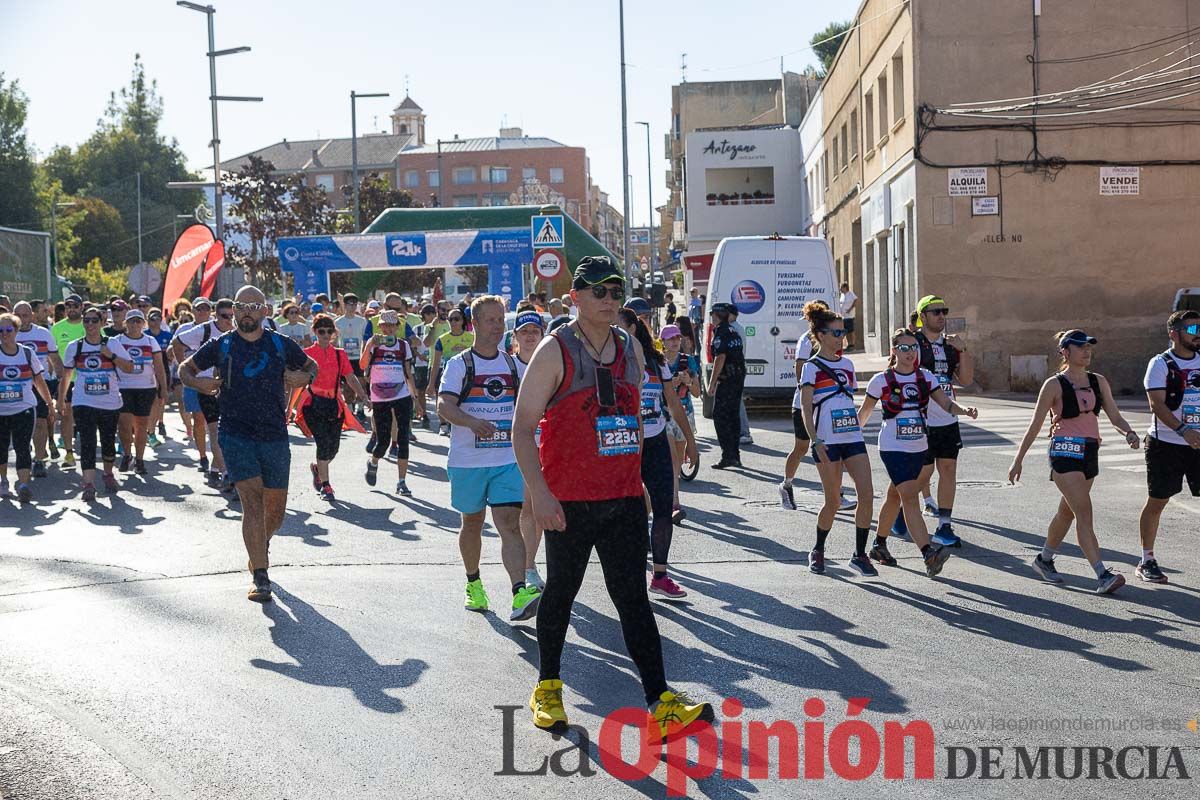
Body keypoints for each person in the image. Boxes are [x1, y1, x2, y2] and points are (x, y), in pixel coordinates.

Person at [513, 255, 712, 736]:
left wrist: (639, 476)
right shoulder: (554, 350)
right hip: (570, 500)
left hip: (622, 497)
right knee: (562, 593)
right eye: (597, 290)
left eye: (615, 290)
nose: (608, 299)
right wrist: (539, 494)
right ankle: (548, 688)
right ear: (576, 297)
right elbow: (521, 429)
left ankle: (659, 701)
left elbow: (634, 420)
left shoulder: (631, 348)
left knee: (633, 600)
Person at [180, 285, 317, 602]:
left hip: (274, 434)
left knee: (276, 513)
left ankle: (259, 546)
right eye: (241, 305)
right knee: (251, 504)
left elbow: (311, 365)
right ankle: (261, 576)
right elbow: (185, 368)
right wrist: (197, 381)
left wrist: (304, 378)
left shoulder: (280, 344)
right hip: (235, 433)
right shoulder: (222, 345)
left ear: (265, 312)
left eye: (254, 306)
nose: (246, 311)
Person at [1009, 330, 1138, 595]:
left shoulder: (1098, 381)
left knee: (1067, 512)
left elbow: (1114, 415)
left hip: (1090, 451)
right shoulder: (1054, 385)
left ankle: (1043, 559)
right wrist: (1018, 460)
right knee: (1084, 512)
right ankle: (1102, 574)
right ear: (1065, 352)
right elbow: (1034, 425)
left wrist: (1129, 432)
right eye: (1080, 347)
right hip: (1064, 452)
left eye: (1089, 346)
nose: (1087, 351)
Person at [436, 295, 541, 621]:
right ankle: (474, 583)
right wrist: (471, 422)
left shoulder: (513, 366)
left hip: (506, 459)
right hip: (467, 461)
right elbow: (443, 406)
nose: (498, 326)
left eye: (501, 320)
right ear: (475, 324)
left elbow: (532, 403)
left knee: (509, 524)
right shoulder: (459, 365)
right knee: (472, 523)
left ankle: (519, 590)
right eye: (491, 320)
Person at [858, 328, 977, 578]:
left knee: (895, 496)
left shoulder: (926, 377)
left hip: (919, 446)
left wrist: (964, 410)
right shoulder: (881, 380)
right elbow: (865, 413)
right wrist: (848, 440)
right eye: (903, 348)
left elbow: (945, 403)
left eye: (913, 347)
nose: (910, 352)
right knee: (910, 496)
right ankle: (928, 553)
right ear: (894, 351)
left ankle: (879, 545)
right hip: (893, 447)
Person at [618, 310, 698, 597]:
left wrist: (690, 441)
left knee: (663, 509)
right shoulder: (608, 360)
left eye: (621, 326)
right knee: (630, 513)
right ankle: (631, 574)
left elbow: (674, 404)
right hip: (622, 445)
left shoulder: (657, 361)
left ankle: (660, 575)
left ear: (634, 329)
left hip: (655, 441)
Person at [797, 301, 874, 575]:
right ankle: (818, 549)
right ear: (820, 335)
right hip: (826, 441)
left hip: (852, 437)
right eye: (837, 332)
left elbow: (846, 400)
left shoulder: (849, 364)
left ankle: (860, 554)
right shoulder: (811, 367)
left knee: (866, 495)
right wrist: (814, 439)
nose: (842, 337)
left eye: (844, 332)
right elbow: (806, 408)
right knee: (833, 501)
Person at [1135, 309, 1200, 583]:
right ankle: (1146, 560)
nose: (1198, 335)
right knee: (1158, 501)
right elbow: (1156, 404)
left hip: (1198, 445)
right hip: (1167, 444)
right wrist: (1184, 431)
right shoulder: (1160, 363)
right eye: (1193, 329)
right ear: (1174, 334)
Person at [912, 295, 975, 547]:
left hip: (947, 419)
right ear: (922, 316)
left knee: (948, 470)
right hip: (920, 418)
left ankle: (944, 525)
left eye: (943, 311)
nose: (941, 316)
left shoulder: (951, 346)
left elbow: (967, 379)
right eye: (935, 311)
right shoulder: (913, 343)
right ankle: (898, 509)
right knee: (921, 473)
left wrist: (964, 349)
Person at [61, 306, 134, 501]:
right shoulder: (74, 347)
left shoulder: (113, 344)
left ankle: (108, 474)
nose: (90, 324)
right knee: (87, 442)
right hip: (83, 401)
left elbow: (129, 367)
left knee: (108, 442)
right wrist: (61, 400)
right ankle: (89, 485)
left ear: (102, 323)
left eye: (94, 320)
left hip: (109, 402)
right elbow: (66, 375)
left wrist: (111, 356)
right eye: (87, 320)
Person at [301, 313, 366, 501]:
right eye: (321, 331)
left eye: (329, 331)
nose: (325, 334)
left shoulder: (340, 354)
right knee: (322, 442)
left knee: (333, 448)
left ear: (334, 333)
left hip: (333, 405)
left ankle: (318, 469)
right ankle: (326, 486)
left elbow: (350, 377)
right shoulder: (307, 354)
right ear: (315, 332)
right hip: (313, 404)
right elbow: (296, 378)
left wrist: (363, 395)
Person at [173, 298, 233, 486]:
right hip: (206, 388)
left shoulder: (238, 330)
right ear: (216, 315)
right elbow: (177, 342)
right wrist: (189, 373)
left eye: (233, 316)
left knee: (228, 432)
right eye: (225, 316)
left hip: (230, 389)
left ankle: (215, 469)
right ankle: (226, 473)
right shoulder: (205, 330)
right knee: (213, 431)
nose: (229, 320)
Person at [511, 310, 547, 590]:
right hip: (521, 445)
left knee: (543, 508)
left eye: (534, 330)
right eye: (524, 331)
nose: (530, 335)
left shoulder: (551, 364)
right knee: (528, 506)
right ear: (515, 337)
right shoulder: (509, 367)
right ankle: (529, 566)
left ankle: (533, 564)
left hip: (550, 444)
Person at [362, 311, 416, 496]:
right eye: (385, 325)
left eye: (392, 325)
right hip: (379, 396)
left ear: (397, 327)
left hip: (401, 394)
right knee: (383, 441)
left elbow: (408, 371)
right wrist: (370, 344)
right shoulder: (375, 344)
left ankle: (402, 482)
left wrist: (414, 393)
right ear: (380, 326)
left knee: (403, 438)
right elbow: (362, 366)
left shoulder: (403, 345)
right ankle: (374, 462)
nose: (388, 328)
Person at [0, 313, 53, 502]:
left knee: (23, 448)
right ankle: (4, 480)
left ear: (16, 331)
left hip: (24, 408)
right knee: (2, 448)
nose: (4, 334)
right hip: (1, 411)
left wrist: (49, 403)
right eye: (0, 331)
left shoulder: (27, 353)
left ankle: (23, 485)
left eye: (8, 330)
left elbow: (39, 381)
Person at [115, 310, 168, 475]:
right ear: (126, 323)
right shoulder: (117, 341)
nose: (135, 325)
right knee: (124, 423)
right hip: (123, 387)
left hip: (146, 388)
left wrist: (163, 388)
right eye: (131, 321)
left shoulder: (151, 341)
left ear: (143, 323)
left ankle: (139, 459)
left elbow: (159, 366)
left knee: (141, 425)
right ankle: (127, 454)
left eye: (138, 321)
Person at [14, 302, 61, 476]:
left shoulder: (43, 334)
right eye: (18, 315)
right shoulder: (7, 334)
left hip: (40, 383)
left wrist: (61, 383)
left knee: (41, 422)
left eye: (25, 315)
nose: (21, 319)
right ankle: (25, 457)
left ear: (32, 316)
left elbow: (55, 359)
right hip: (16, 385)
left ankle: (39, 460)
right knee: (21, 426)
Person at [661, 324, 700, 523]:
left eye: (677, 338)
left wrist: (689, 381)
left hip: (685, 414)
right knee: (672, 460)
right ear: (663, 342)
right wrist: (669, 385)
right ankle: (674, 503)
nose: (675, 342)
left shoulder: (688, 361)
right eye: (670, 339)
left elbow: (697, 393)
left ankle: (672, 495)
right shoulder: (657, 361)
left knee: (678, 458)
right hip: (664, 413)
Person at [705, 303, 746, 468]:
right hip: (737, 377)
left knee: (720, 417)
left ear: (717, 315)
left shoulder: (721, 332)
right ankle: (735, 455)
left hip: (727, 379)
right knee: (733, 416)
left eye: (712, 314)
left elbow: (720, 358)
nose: (711, 317)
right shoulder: (733, 330)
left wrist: (712, 382)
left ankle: (727, 455)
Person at [51, 294, 85, 467]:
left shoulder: (90, 324)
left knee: (86, 417)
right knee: (66, 415)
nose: (71, 309)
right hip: (66, 379)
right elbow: (52, 353)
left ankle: (87, 451)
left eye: (75, 305)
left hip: (87, 379)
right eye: (68, 306)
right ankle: (69, 454)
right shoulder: (56, 328)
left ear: (81, 307)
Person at [429, 308, 474, 436]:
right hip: (449, 376)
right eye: (450, 319)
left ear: (462, 321)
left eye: (456, 319)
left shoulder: (471, 337)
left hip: (468, 377)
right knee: (444, 401)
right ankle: (444, 425)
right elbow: (436, 363)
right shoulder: (442, 340)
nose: (453, 322)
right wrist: (431, 384)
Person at [334, 293, 371, 415]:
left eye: (355, 304)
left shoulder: (362, 321)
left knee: (361, 383)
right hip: (344, 357)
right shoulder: (338, 322)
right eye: (350, 304)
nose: (353, 306)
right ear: (344, 305)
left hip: (358, 357)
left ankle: (360, 409)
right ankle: (349, 410)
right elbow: (334, 341)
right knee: (348, 386)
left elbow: (366, 340)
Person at [146, 309, 175, 444]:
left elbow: (173, 352)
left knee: (160, 400)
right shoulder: (144, 335)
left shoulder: (167, 335)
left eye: (158, 318)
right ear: (147, 320)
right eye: (152, 318)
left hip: (163, 370)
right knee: (152, 402)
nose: (155, 321)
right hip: (147, 372)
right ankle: (149, 430)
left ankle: (157, 424)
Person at [726, 305, 754, 445]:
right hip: (735, 369)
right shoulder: (735, 328)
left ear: (732, 315)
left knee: (737, 402)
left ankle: (744, 432)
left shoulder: (734, 329)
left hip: (734, 370)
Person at [838, 282, 858, 350]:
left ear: (845, 288)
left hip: (849, 316)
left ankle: (852, 344)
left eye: (841, 287)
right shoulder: (842, 295)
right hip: (843, 316)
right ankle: (848, 344)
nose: (840, 289)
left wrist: (850, 309)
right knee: (846, 331)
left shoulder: (850, 293)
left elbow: (855, 300)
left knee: (850, 331)